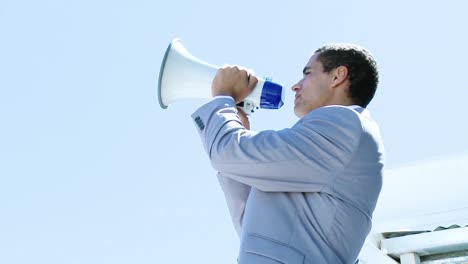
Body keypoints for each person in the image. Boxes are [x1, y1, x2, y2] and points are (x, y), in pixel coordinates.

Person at [191, 44, 384, 264]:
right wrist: (238, 132)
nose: (295, 86)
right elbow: (255, 231)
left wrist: (222, 98)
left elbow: (225, 152)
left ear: (337, 76)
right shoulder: (334, 140)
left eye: (308, 73)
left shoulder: (345, 123)